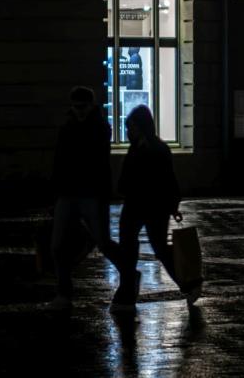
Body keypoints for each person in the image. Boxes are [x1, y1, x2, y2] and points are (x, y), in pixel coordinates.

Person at [110, 105, 200, 312]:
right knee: (141, 248)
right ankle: (129, 290)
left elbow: (167, 179)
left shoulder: (154, 149)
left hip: (150, 206)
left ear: (141, 127)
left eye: (131, 127)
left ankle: (187, 284)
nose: (128, 131)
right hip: (142, 205)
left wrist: (172, 205)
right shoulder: (148, 148)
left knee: (155, 248)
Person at [50, 86, 115, 309]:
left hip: (89, 192)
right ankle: (64, 293)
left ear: (91, 105)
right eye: (75, 107)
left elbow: (98, 163)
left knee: (103, 243)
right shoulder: (70, 127)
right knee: (58, 245)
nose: (78, 111)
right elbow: (59, 160)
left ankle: (128, 274)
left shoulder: (98, 127)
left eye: (82, 107)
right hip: (71, 192)